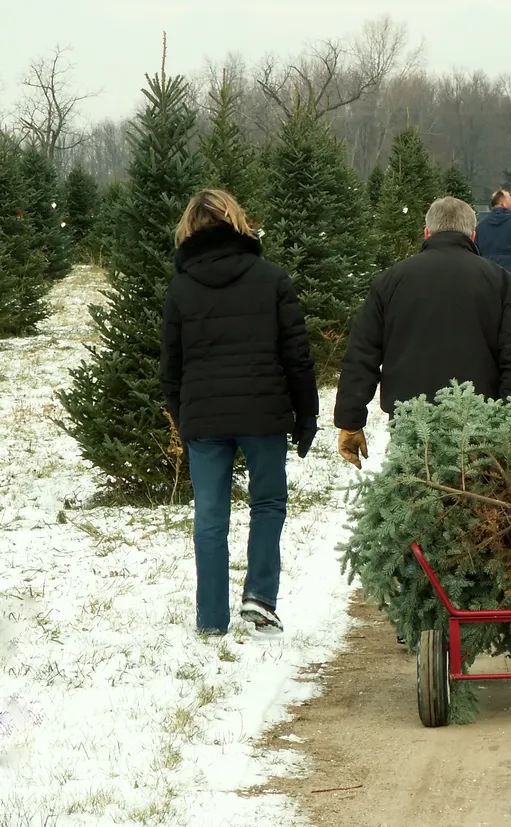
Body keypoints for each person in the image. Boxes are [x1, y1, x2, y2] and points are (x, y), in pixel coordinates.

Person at [160, 189, 319, 639]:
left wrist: (183, 415)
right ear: (237, 222)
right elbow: (297, 357)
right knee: (267, 504)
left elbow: (169, 367)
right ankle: (260, 599)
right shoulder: (271, 278)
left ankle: (211, 619)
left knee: (210, 518)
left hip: (205, 419)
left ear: (189, 228)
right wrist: (306, 416)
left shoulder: (182, 288)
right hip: (263, 414)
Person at [333, 196, 511, 470]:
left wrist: (350, 421)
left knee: (411, 499)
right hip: (479, 423)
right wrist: (507, 416)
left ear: (427, 233)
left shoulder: (390, 282)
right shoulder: (501, 282)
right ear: (473, 235)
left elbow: (362, 355)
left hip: (410, 421)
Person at [474, 188, 511, 281]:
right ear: (503, 204)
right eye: (510, 199)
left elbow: (476, 251)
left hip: (487, 274)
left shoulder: (481, 226)